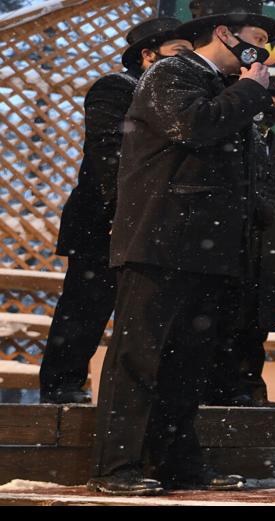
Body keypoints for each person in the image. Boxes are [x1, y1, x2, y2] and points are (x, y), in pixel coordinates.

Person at [88, 0, 275, 495]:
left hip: (209, 248)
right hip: (160, 240)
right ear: (225, 34)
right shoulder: (172, 73)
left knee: (187, 364)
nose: (263, 52)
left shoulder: (224, 87)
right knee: (139, 358)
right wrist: (249, 91)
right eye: (258, 40)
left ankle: (176, 463)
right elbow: (193, 126)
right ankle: (116, 466)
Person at [37, 16, 191, 405]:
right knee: (85, 307)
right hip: (104, 221)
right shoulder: (116, 88)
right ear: (147, 55)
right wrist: (124, 211)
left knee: (145, 316)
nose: (185, 62)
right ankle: (62, 386)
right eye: (178, 53)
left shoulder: (183, 100)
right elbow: (107, 154)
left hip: (155, 224)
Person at [210, 79, 275, 407]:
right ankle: (224, 387)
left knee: (258, 323)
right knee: (228, 319)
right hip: (233, 246)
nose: (271, 109)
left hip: (272, 251)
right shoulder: (231, 141)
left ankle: (251, 388)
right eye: (267, 102)